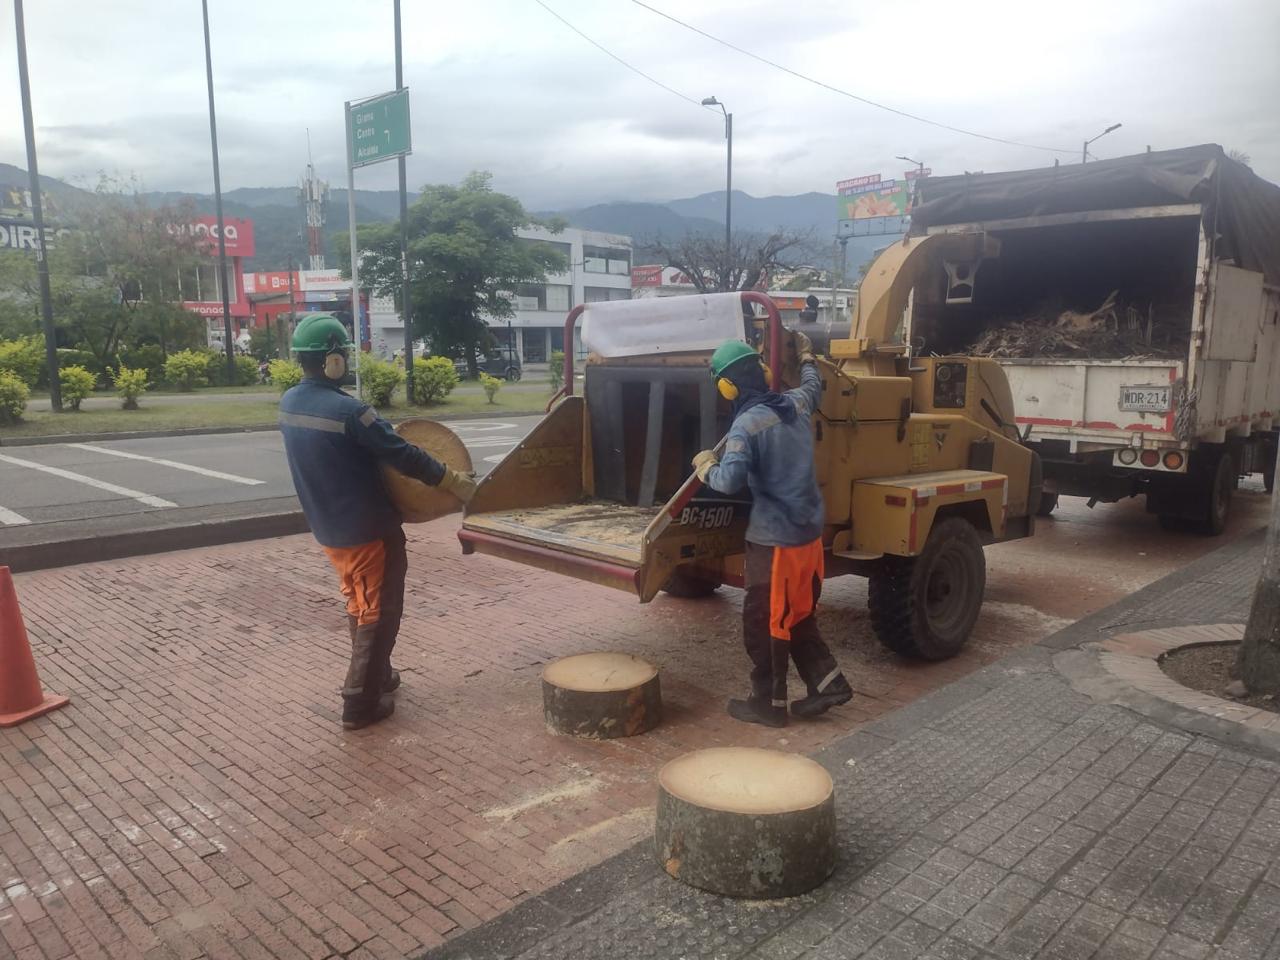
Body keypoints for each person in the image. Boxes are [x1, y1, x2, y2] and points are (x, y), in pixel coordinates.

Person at [278, 313, 477, 730]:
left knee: (359, 601)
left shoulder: (290, 402)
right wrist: (453, 480)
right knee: (378, 613)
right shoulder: (351, 412)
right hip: (368, 532)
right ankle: (360, 703)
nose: (346, 361)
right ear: (333, 360)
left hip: (330, 529)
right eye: (343, 354)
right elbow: (405, 455)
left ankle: (379, 675)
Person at [692, 336, 853, 728]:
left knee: (764, 622)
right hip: (809, 537)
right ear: (762, 374)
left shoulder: (745, 426)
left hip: (775, 543)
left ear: (726, 387)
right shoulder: (796, 403)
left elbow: (729, 482)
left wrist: (705, 466)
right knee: (797, 615)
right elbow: (815, 385)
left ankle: (768, 704)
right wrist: (808, 356)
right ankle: (830, 684)